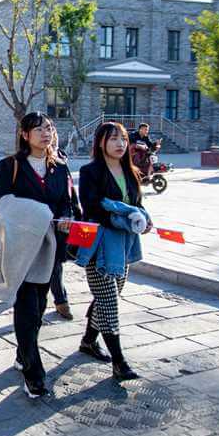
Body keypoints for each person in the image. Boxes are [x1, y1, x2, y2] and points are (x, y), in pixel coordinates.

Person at [78, 122, 151, 389]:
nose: (120, 144)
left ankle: (88, 341)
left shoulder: (131, 171)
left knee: (108, 296)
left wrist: (145, 218)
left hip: (124, 245)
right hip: (98, 245)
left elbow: (137, 204)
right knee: (109, 301)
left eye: (122, 139)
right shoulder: (90, 172)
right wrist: (124, 218)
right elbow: (92, 207)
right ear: (100, 143)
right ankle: (119, 362)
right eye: (113, 139)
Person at [0, 114, 57, 402]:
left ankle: (22, 353)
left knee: (40, 307)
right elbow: (1, 202)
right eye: (39, 129)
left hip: (50, 249)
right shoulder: (11, 165)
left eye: (49, 128)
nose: (46, 133)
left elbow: (67, 203)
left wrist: (69, 218)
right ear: (25, 134)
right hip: (21, 249)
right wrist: (39, 214)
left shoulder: (59, 167)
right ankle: (34, 374)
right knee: (28, 309)